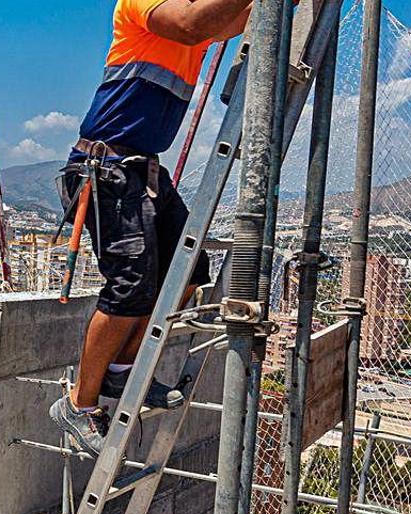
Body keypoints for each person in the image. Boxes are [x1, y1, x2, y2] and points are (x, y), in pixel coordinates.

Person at [50, 0, 254, 455]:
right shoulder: (144, 4)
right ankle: (79, 404)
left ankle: (122, 374)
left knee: (190, 274)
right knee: (130, 287)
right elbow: (193, 23)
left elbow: (231, 20)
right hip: (105, 166)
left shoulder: (199, 28)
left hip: (143, 169)